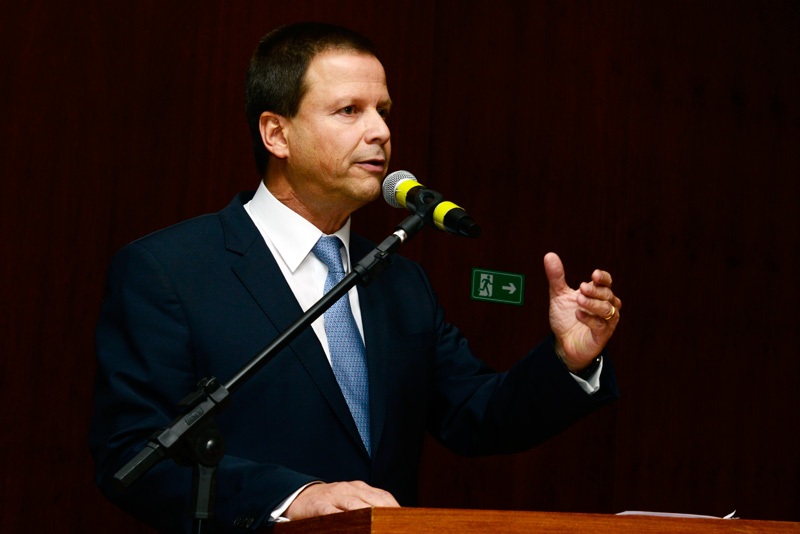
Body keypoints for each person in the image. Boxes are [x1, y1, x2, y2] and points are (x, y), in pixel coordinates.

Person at [89, 22, 621, 533]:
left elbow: (475, 416)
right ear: (277, 133)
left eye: (383, 111)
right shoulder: (170, 271)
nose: (381, 132)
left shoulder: (402, 282)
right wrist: (294, 498)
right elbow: (133, 455)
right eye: (350, 110)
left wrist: (568, 360)